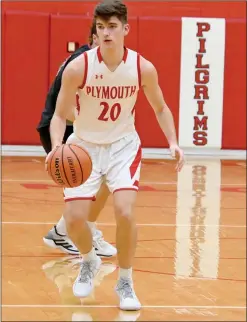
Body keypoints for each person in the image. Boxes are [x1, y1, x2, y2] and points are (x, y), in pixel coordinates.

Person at [46, 0, 184, 311]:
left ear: (125, 29)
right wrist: (57, 146)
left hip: (123, 146)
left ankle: (125, 280)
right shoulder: (78, 67)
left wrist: (173, 141)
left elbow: (160, 107)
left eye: (112, 26)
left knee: (125, 211)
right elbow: (58, 115)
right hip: (84, 147)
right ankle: (89, 260)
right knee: (74, 221)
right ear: (94, 31)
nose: (106, 33)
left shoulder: (141, 68)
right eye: (100, 27)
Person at [37, 22, 117, 258]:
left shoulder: (95, 62)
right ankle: (72, 232)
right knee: (87, 185)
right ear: (94, 37)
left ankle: (64, 232)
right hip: (62, 127)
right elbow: (68, 110)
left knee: (105, 178)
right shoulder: (80, 64)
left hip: (79, 128)